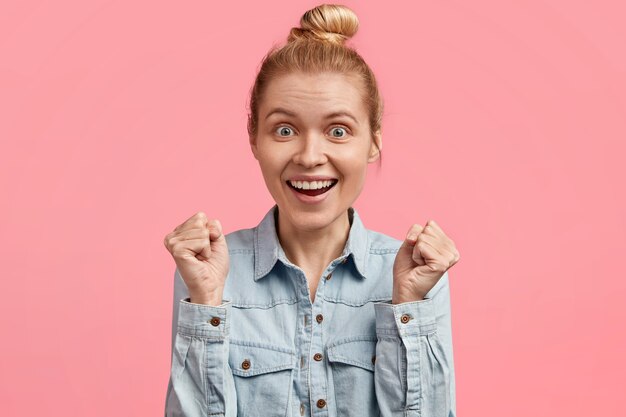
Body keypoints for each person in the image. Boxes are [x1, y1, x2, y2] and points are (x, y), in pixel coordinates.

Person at [163, 4, 460, 417]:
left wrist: (408, 305)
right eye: (285, 130)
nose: (309, 156)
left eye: (338, 131)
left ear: (373, 142)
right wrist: (207, 305)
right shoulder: (212, 271)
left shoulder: (412, 273)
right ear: (254, 139)